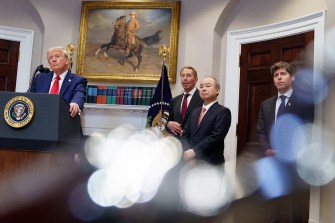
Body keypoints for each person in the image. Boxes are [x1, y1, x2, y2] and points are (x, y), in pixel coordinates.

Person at [257, 61, 314, 223]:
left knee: (293, 206)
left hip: (294, 163)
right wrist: (267, 150)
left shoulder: (303, 102)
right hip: (271, 161)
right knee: (272, 206)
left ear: (293, 77)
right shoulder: (266, 104)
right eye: (276, 75)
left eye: (283, 74)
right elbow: (261, 130)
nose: (279, 78)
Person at [181, 76, 232, 165]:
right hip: (191, 163)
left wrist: (194, 151)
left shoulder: (223, 111)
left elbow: (216, 137)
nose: (203, 89)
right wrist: (188, 153)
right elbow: (185, 134)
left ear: (217, 90)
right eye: (201, 86)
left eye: (208, 86)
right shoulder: (194, 112)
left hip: (211, 164)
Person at [30, 46, 87, 118]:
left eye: (57, 56)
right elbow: (30, 96)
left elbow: (79, 95)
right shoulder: (40, 78)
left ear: (67, 61)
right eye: (50, 58)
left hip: (63, 121)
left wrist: (75, 103)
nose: (54, 60)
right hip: (40, 120)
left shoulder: (77, 80)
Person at [166, 66, 203, 139]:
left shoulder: (203, 98)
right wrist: (168, 124)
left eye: (188, 75)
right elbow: (169, 120)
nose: (185, 78)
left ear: (195, 79)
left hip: (194, 144)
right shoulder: (174, 100)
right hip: (177, 144)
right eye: (183, 76)